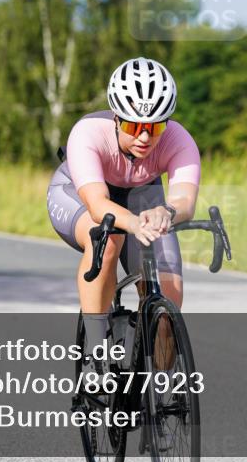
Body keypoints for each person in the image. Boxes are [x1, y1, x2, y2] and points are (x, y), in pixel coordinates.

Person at [47, 57, 200, 367]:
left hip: (143, 198)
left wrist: (166, 213)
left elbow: (184, 199)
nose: (145, 137)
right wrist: (133, 222)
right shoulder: (88, 133)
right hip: (78, 197)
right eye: (134, 126)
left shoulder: (179, 139)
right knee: (107, 239)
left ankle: (154, 388)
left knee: (170, 288)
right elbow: (97, 203)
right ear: (116, 117)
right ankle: (95, 353)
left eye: (155, 126)